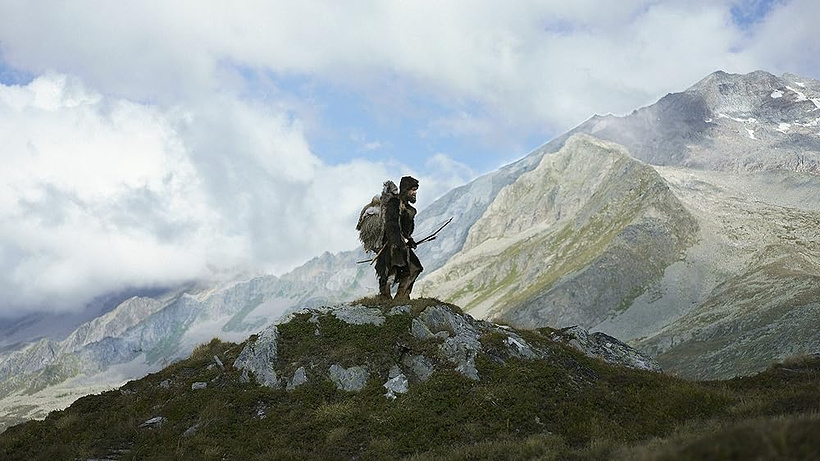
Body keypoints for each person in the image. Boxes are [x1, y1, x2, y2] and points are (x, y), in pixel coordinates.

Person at [375, 176, 423, 300]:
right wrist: (397, 242)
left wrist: (409, 240)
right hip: (391, 245)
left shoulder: (410, 210)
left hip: (403, 246)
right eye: (413, 190)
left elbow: (407, 231)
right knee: (391, 271)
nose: (415, 193)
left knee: (415, 268)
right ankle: (385, 297)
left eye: (415, 190)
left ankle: (402, 296)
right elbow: (391, 224)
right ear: (406, 189)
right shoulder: (394, 203)